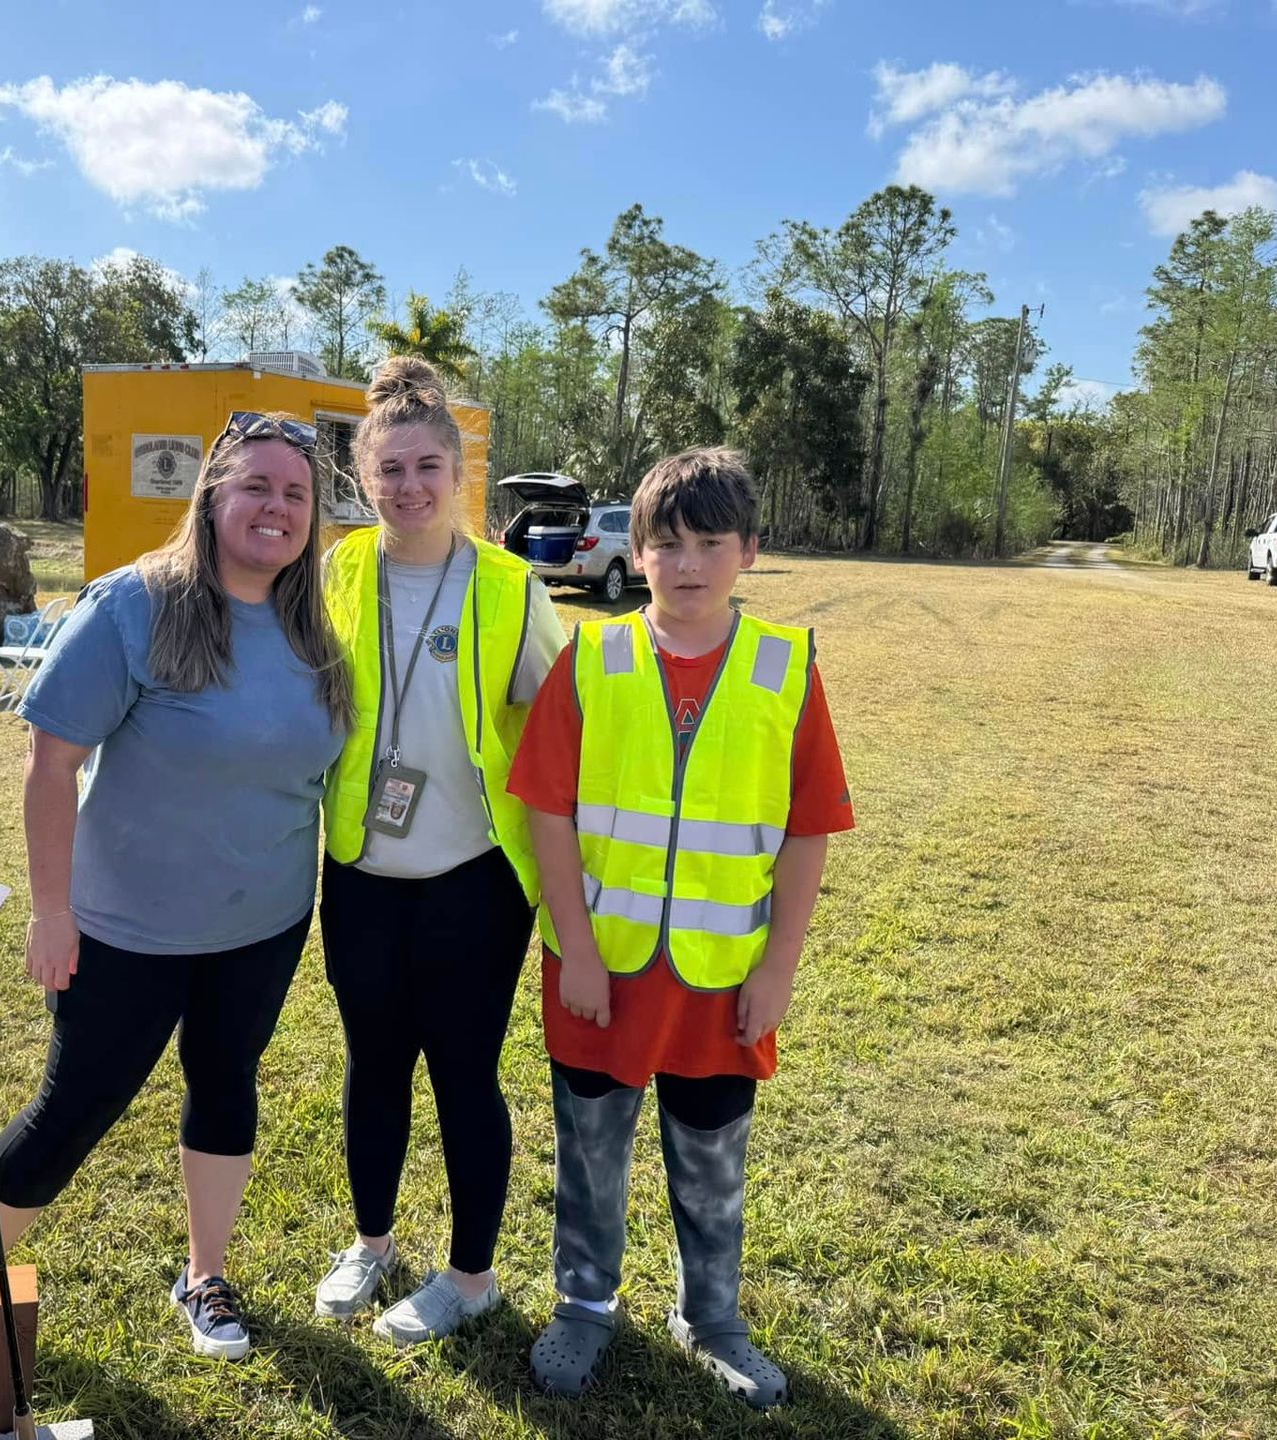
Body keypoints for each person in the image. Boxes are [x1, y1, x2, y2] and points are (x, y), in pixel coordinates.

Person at [0, 412, 352, 1361]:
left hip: (263, 925)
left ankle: (205, 1274)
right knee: (71, 1112)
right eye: (257, 485)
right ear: (212, 493)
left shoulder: (314, 627)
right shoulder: (133, 606)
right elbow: (52, 767)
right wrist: (51, 913)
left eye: (296, 494)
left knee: (226, 1085)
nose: (277, 508)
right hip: (125, 932)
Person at [509, 448, 853, 1409]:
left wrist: (778, 967)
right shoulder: (595, 657)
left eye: (711, 543)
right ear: (637, 549)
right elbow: (549, 811)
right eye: (667, 543)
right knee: (590, 1152)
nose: (688, 563)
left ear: (749, 550)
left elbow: (804, 831)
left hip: (721, 978)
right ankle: (584, 1303)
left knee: (711, 1161)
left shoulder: (785, 669)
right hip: (599, 970)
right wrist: (575, 947)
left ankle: (712, 1316)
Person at [314, 357, 565, 1344]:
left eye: (428, 468)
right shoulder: (335, 573)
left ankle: (470, 1278)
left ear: (457, 472)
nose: (410, 488)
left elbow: (560, 732)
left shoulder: (508, 587)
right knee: (372, 1066)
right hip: (362, 877)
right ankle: (372, 1245)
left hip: (475, 884)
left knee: (464, 1072)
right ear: (364, 477)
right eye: (391, 472)